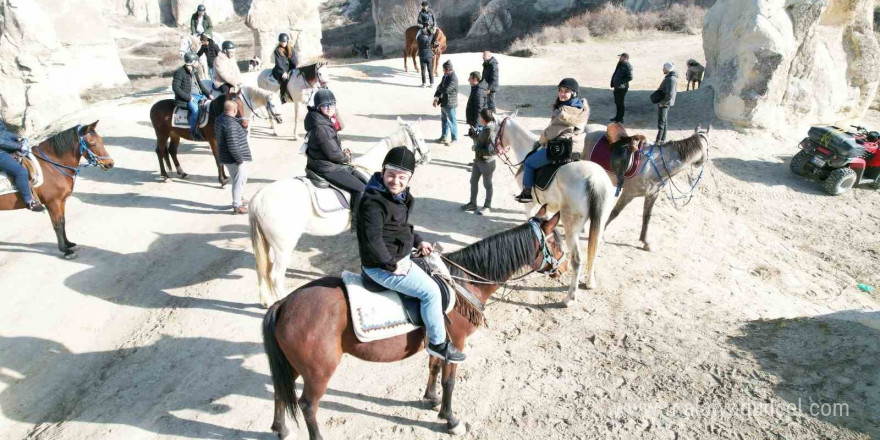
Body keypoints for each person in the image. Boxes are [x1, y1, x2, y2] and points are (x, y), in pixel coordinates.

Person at [357, 146, 467, 364]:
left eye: (401, 177)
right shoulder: (373, 202)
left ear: (409, 178)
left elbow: (400, 227)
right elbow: (372, 239)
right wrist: (390, 265)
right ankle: (437, 344)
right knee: (432, 293)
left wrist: (419, 241)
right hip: (381, 266)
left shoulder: (402, 198)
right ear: (382, 172)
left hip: (400, 257)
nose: (395, 181)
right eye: (390, 175)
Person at [514, 78, 589, 203]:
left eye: (566, 91)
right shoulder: (581, 107)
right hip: (577, 148)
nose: (562, 94)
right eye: (560, 90)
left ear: (574, 94)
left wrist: (540, 142)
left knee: (529, 162)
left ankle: (527, 193)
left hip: (562, 148)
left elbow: (550, 133)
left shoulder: (563, 112)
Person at [304, 89, 366, 220]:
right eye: (325, 105)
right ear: (318, 107)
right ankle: (358, 222)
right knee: (361, 189)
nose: (329, 107)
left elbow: (340, 127)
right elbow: (333, 155)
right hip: (326, 167)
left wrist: (333, 113)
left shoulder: (321, 119)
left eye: (332, 104)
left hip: (325, 162)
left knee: (360, 176)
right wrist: (346, 157)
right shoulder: (321, 128)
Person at [215, 100, 252, 214]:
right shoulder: (231, 125)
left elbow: (237, 137)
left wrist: (243, 128)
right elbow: (233, 145)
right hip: (234, 159)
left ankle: (239, 198)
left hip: (226, 157)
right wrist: (239, 160)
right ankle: (237, 206)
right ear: (235, 110)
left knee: (242, 178)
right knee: (238, 180)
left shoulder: (220, 119)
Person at [0, 122, 43, 212]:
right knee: (21, 172)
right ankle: (29, 201)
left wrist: (18, 138)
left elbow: (2, 132)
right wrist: (19, 146)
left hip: (3, 148)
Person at [462, 109, 496, 215]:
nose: (479, 119)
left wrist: (475, 148)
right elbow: (481, 140)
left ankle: (487, 206)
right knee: (473, 181)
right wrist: (473, 135)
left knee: (487, 185)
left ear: (483, 119)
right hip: (478, 160)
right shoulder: (485, 128)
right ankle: (473, 203)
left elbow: (491, 151)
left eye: (480, 117)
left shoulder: (490, 131)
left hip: (487, 163)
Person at [172, 52, 211, 141]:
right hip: (187, 98)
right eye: (197, 61)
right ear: (192, 62)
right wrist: (189, 97)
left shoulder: (194, 71)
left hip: (199, 95)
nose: (198, 62)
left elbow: (200, 85)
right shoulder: (179, 72)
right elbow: (176, 88)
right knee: (196, 111)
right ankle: (193, 132)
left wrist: (208, 94)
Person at [651, 62, 678, 142]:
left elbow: (670, 95)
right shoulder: (670, 78)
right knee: (664, 122)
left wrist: (662, 103)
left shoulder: (671, 79)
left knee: (661, 123)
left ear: (667, 69)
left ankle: (658, 141)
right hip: (665, 102)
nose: (663, 69)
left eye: (664, 68)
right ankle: (662, 140)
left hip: (664, 103)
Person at [433, 60, 458, 145]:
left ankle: (454, 139)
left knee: (452, 121)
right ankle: (443, 137)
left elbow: (446, 90)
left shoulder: (453, 78)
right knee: (444, 121)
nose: (443, 71)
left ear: (448, 70)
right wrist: (436, 98)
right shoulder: (445, 76)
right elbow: (440, 88)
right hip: (444, 103)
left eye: (444, 70)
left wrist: (439, 88)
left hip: (450, 104)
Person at [272, 33, 298, 104]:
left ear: (287, 41)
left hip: (290, 69)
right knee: (284, 79)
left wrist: (296, 66)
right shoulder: (277, 50)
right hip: (280, 70)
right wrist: (283, 72)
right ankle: (282, 96)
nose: (282, 43)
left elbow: (294, 59)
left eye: (284, 42)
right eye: (281, 42)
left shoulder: (291, 49)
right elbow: (279, 63)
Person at [610, 52, 633, 123]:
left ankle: (620, 118)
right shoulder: (620, 63)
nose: (620, 58)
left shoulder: (627, 65)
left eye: (621, 57)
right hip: (617, 87)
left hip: (622, 88)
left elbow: (630, 77)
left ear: (625, 58)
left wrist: (621, 82)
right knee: (617, 102)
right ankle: (617, 117)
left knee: (620, 103)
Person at [417, 23, 435, 88]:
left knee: (423, 70)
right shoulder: (428, 39)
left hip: (421, 56)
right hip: (429, 56)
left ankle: (424, 83)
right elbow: (432, 35)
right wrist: (433, 30)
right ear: (426, 34)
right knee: (430, 70)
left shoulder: (419, 39)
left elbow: (417, 36)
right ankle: (431, 83)